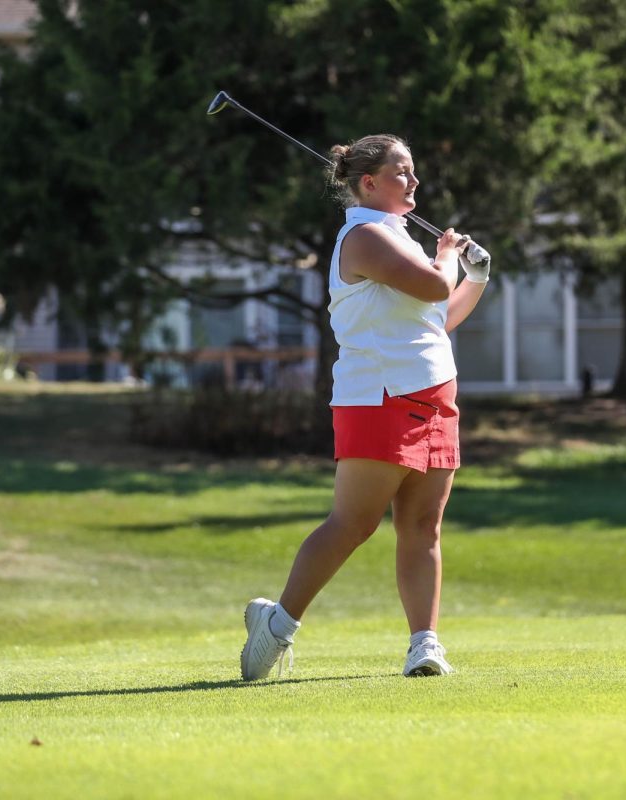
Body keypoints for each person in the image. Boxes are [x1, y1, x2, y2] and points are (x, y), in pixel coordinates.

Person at [240, 133, 490, 680]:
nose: (415, 181)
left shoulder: (396, 236)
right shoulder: (363, 237)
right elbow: (429, 286)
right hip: (378, 397)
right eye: (402, 172)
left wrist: (474, 277)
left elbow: (435, 320)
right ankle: (277, 626)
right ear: (369, 182)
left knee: (423, 527)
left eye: (414, 170)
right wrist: (448, 256)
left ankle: (424, 643)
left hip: (433, 394)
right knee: (353, 524)